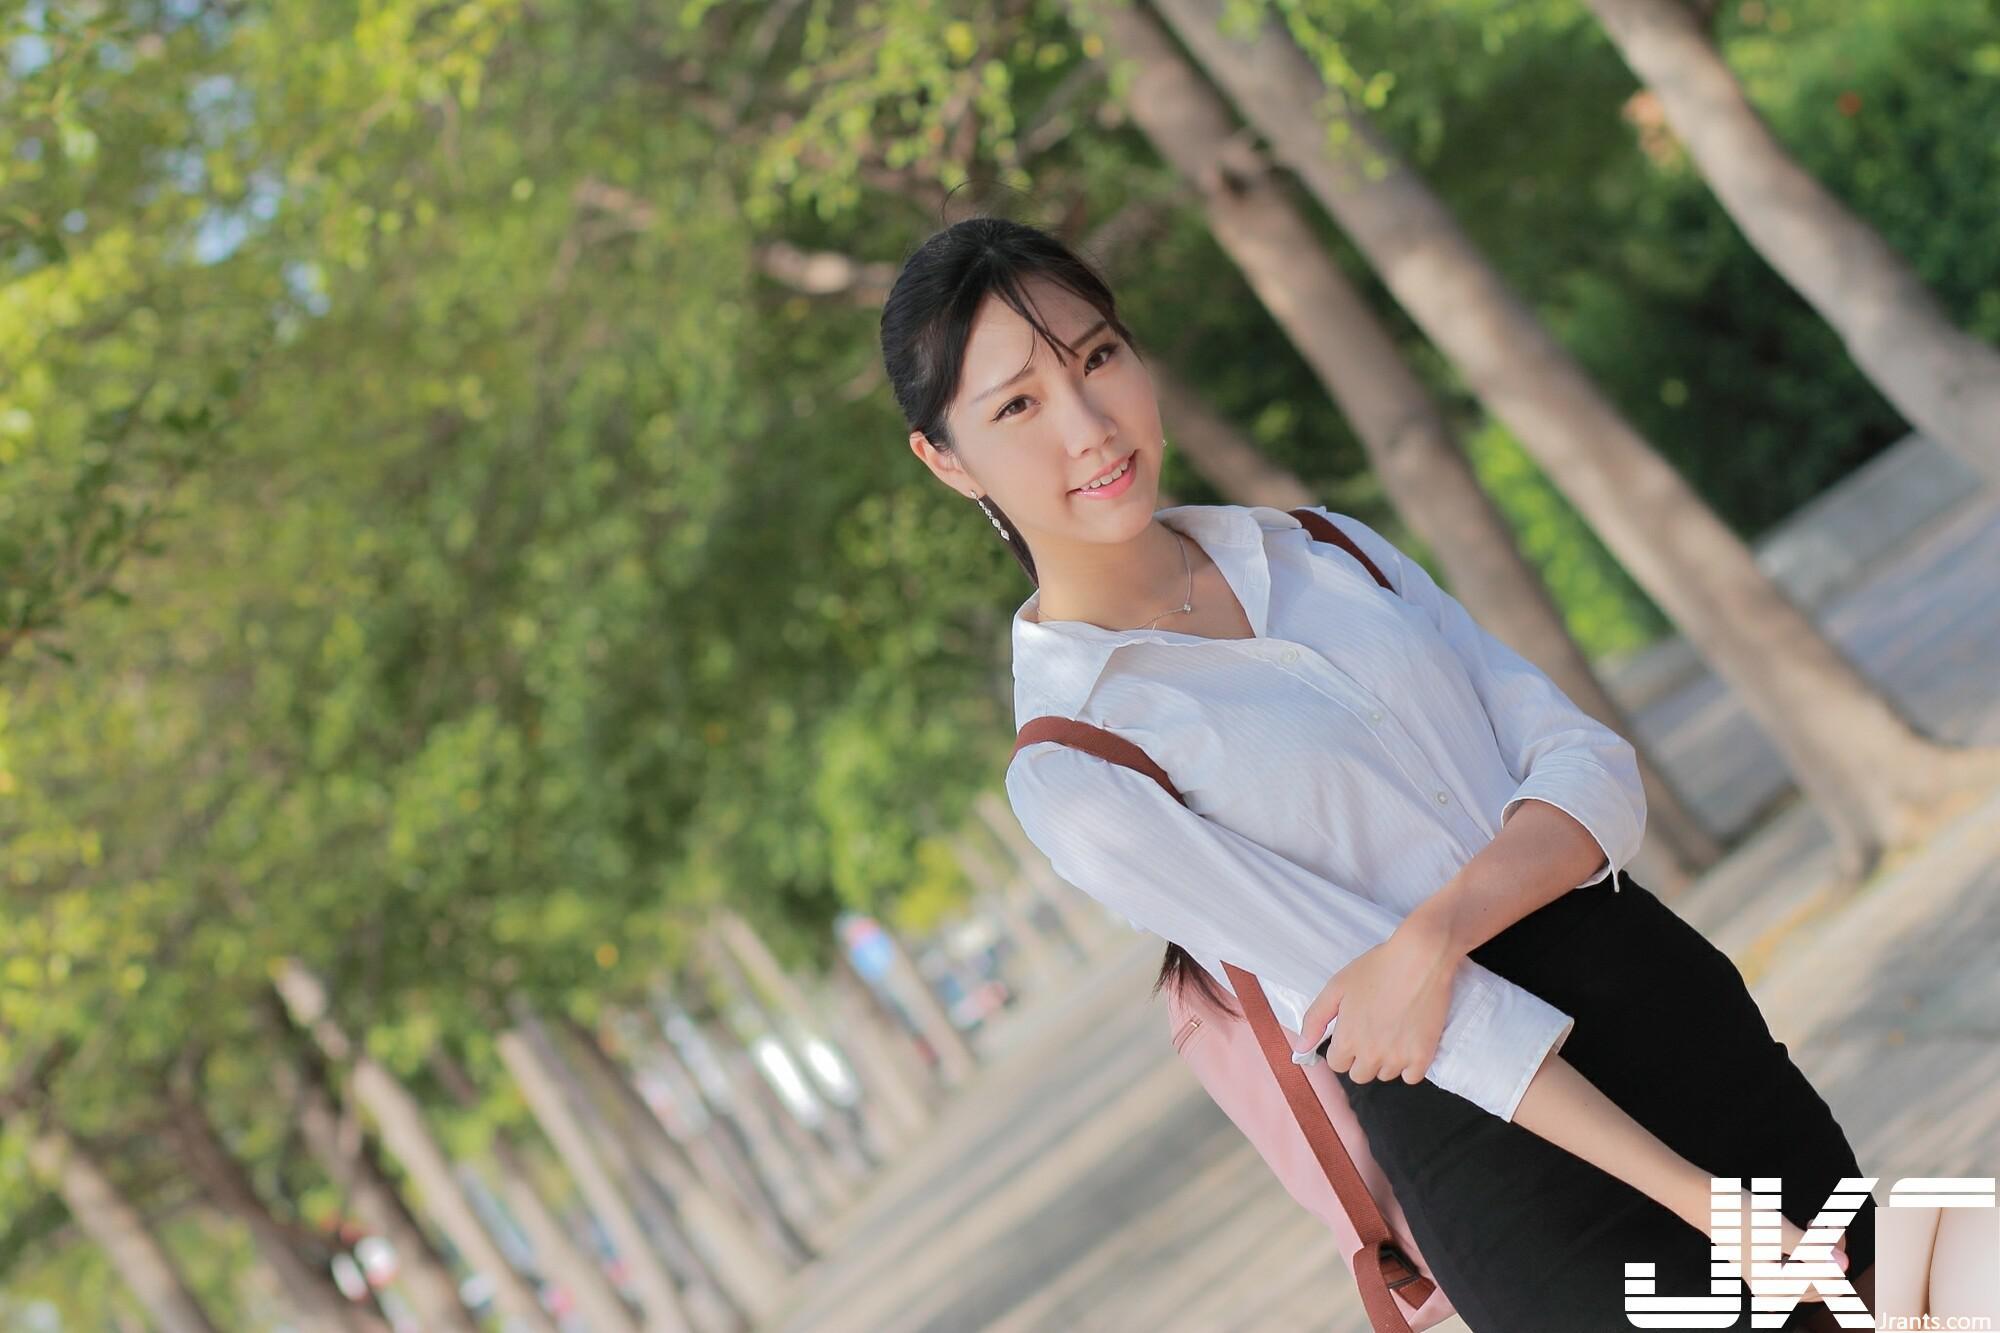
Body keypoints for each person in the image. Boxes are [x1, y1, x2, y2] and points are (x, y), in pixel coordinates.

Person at [881, 215, 1884, 1329]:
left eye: (1096, 357)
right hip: (1509, 1155)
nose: (1086, 425)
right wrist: (1719, 1215)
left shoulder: (1323, 548)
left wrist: (1425, 935)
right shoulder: (1076, 763)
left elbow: (1588, 768)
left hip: (1677, 1018)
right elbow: (1429, 1025)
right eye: (1016, 404)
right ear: (944, 457)